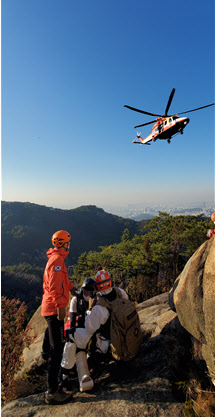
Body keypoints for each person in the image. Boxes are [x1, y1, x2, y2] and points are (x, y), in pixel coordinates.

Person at [61, 269, 128, 392]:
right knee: (79, 339)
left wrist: (90, 309)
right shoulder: (121, 293)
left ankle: (69, 373)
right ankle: (83, 374)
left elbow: (90, 327)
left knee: (73, 340)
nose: (87, 294)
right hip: (124, 336)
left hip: (106, 343)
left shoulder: (100, 307)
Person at [41, 230, 76, 405]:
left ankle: (43, 352)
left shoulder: (57, 259)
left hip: (52, 307)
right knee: (57, 350)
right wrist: (60, 306)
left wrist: (72, 289)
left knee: (51, 344)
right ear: (63, 243)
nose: (69, 244)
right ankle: (52, 392)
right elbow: (54, 286)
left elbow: (63, 281)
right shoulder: (56, 260)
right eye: (68, 242)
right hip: (54, 308)